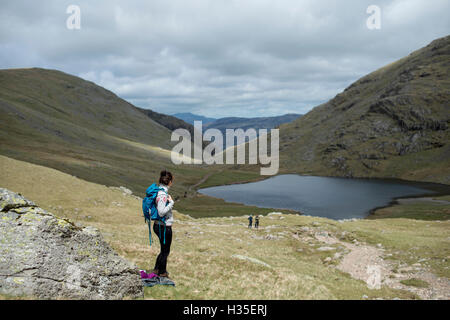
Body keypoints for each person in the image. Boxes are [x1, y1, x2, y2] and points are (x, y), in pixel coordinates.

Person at [150, 170, 175, 279]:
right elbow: (161, 212)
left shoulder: (159, 191)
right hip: (164, 227)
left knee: (163, 250)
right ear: (169, 182)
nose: (172, 183)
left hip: (159, 225)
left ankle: (157, 269)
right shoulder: (162, 194)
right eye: (171, 181)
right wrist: (171, 203)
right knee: (165, 251)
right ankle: (162, 272)